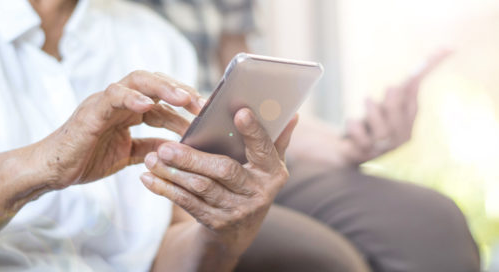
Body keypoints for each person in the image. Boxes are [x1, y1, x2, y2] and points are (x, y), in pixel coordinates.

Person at [0, 1, 480, 272]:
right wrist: (35, 168)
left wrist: (225, 231)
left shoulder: (151, 41)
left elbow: (171, 255)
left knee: (426, 225)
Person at [133, 0, 481, 271]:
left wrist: (343, 147)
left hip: (242, 145)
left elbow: (244, 88)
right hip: (146, 163)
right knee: (327, 261)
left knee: (432, 223)